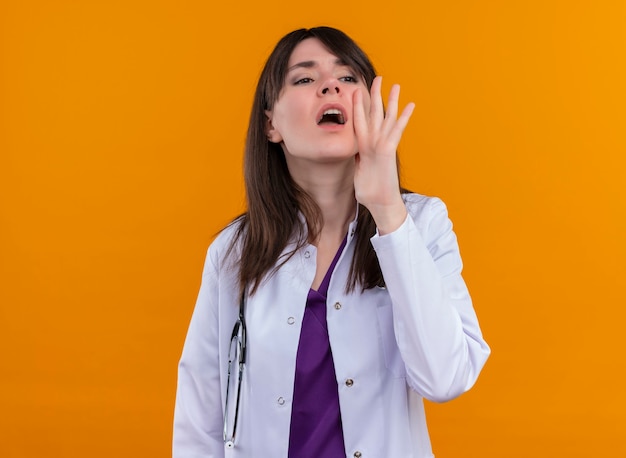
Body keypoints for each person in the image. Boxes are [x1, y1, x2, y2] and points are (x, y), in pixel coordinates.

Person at [173, 26, 490, 458]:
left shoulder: (421, 223)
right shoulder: (234, 252)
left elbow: (446, 378)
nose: (330, 86)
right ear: (271, 124)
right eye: (304, 79)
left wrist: (387, 210)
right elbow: (200, 415)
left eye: (347, 78)